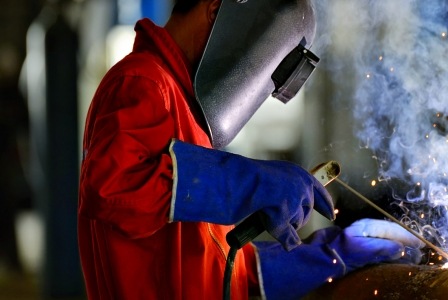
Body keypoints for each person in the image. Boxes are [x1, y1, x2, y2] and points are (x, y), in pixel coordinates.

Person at [78, 0, 422, 299]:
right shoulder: (144, 82)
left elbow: (223, 269)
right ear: (216, 10)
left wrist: (334, 253)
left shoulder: (186, 108)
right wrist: (249, 182)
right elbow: (112, 187)